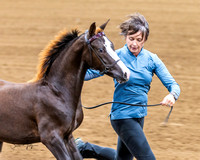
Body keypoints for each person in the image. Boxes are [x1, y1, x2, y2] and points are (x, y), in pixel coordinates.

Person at [77, 13, 180, 160]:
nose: (134, 44)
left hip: (139, 116)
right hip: (122, 116)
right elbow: (89, 74)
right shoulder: (115, 57)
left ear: (145, 40)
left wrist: (172, 95)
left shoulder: (152, 59)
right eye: (131, 39)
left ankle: (85, 148)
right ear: (125, 37)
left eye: (139, 40)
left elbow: (173, 85)